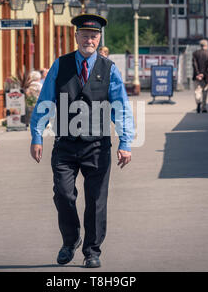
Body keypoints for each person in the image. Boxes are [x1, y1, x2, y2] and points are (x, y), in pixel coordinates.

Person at [30, 14, 134, 268]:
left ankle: (92, 251)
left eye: (94, 35)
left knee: (96, 200)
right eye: (85, 35)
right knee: (64, 195)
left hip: (97, 146)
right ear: (76, 36)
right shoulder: (60, 65)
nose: (89, 39)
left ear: (99, 39)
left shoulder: (110, 69)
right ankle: (70, 240)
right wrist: (37, 135)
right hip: (65, 144)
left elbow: (121, 107)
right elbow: (45, 100)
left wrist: (125, 142)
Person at [192, 39, 208, 113]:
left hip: (197, 77)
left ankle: (198, 102)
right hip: (206, 77)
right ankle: (204, 107)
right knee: (205, 92)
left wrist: (198, 74)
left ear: (200, 45)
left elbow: (194, 65)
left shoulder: (195, 53)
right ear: (207, 45)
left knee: (197, 91)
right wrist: (203, 74)